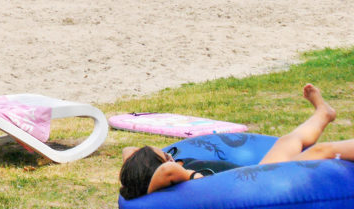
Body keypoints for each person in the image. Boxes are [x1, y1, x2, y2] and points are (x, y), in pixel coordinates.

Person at [120, 84, 354, 200]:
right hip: (264, 187)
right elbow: (166, 170)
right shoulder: (183, 179)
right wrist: (156, 172)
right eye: (165, 156)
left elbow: (127, 150)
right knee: (323, 151)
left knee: (287, 140)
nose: (170, 156)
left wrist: (140, 164)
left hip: (259, 173)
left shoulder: (171, 170)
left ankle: (323, 113)